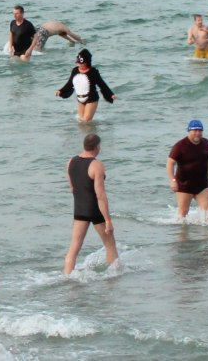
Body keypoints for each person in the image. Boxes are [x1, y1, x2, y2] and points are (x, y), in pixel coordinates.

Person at [62, 134, 117, 273]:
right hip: (95, 210)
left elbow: (72, 188)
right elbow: (100, 195)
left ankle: (66, 277)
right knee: (110, 245)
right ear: (97, 146)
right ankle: (114, 278)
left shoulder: (71, 162)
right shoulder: (97, 165)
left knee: (74, 248)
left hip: (79, 209)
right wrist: (108, 220)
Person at [166, 120, 208, 223]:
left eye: (200, 130)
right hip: (184, 186)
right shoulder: (179, 146)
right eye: (195, 130)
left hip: (202, 185)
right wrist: (172, 180)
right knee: (183, 215)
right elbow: (170, 163)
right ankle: (182, 237)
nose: (197, 133)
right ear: (189, 131)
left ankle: (206, 238)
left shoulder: (206, 143)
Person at [54, 49, 117, 123]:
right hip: (80, 99)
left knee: (86, 121)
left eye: (82, 63)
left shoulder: (93, 72)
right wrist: (60, 91)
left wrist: (111, 94)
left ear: (87, 62)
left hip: (91, 98)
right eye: (78, 63)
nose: (79, 65)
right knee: (80, 121)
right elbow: (69, 84)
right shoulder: (75, 71)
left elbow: (102, 84)